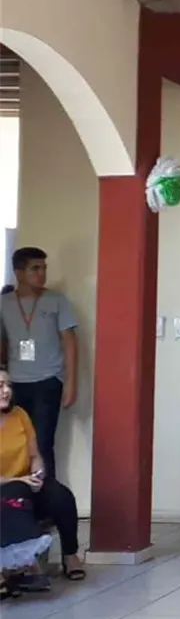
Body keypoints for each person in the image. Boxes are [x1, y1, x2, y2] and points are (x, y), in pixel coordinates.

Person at [1, 367, 83, 598]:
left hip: (24, 483)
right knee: (15, 492)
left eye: (8, 386)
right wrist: (19, 479)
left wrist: (37, 474)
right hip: (7, 487)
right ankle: (25, 567)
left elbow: (35, 455)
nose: (6, 391)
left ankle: (70, 556)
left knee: (60, 495)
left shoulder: (19, 415)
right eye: (0, 386)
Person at [0, 248, 79, 481]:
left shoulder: (57, 300)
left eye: (44, 268)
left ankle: (47, 497)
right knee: (17, 441)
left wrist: (71, 383)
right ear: (18, 272)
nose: (41, 274)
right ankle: (19, 494)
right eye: (35, 269)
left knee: (43, 442)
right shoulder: (4, 303)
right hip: (14, 383)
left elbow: (70, 341)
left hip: (48, 381)